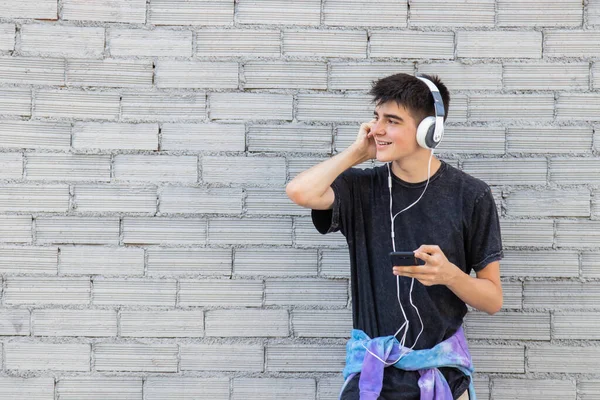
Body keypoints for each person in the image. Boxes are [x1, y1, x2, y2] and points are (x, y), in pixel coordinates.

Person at [286, 73, 503, 400]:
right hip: (371, 379)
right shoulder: (359, 188)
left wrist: (451, 276)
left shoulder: (471, 195)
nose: (376, 129)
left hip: (442, 379)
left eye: (392, 120)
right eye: (376, 117)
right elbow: (299, 191)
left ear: (429, 130)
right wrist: (356, 154)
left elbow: (492, 299)